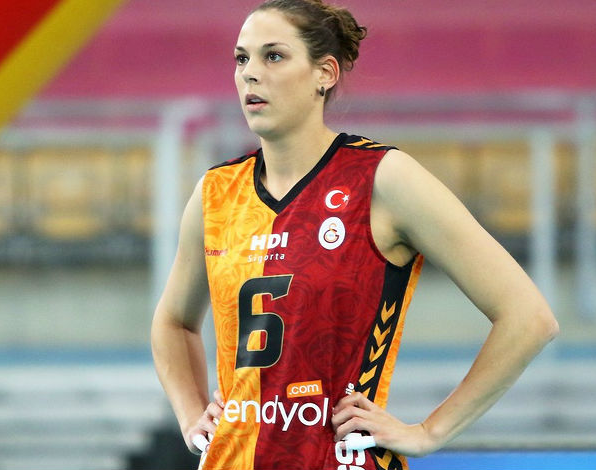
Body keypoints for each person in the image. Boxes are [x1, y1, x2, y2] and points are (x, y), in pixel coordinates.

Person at [150, 1, 560, 469]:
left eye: (274, 56)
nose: (250, 73)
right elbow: (173, 322)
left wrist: (429, 432)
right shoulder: (215, 192)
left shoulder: (383, 178)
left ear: (324, 73)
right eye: (241, 58)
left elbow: (529, 318)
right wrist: (191, 415)